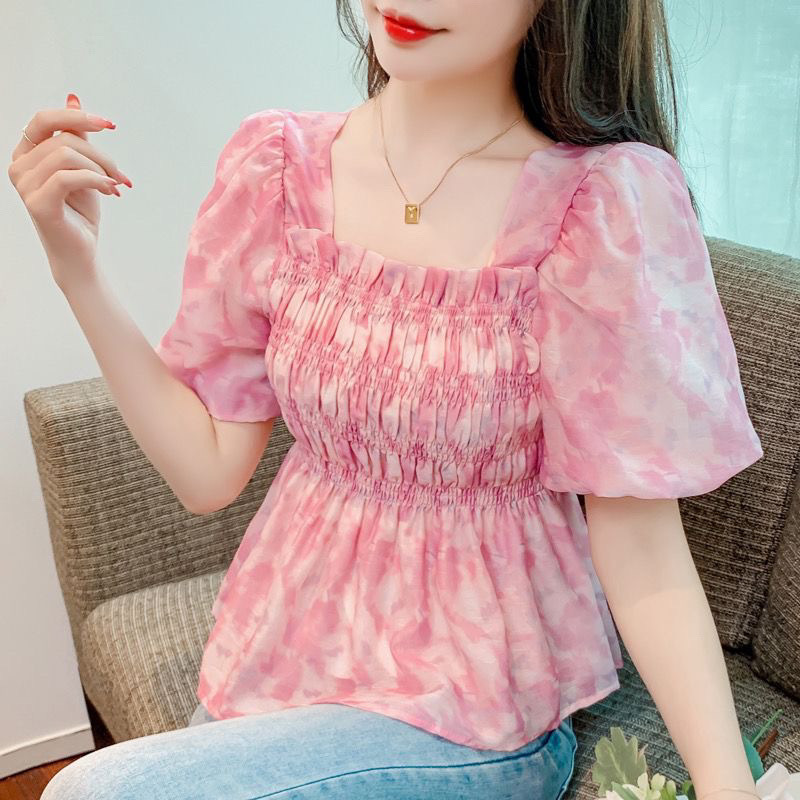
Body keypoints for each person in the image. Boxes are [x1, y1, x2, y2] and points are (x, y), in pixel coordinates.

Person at [11, 0, 764, 798]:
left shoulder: (600, 205)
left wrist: (729, 787)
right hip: (274, 669)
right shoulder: (278, 168)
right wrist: (76, 270)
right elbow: (207, 474)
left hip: (468, 713)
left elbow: (642, 546)